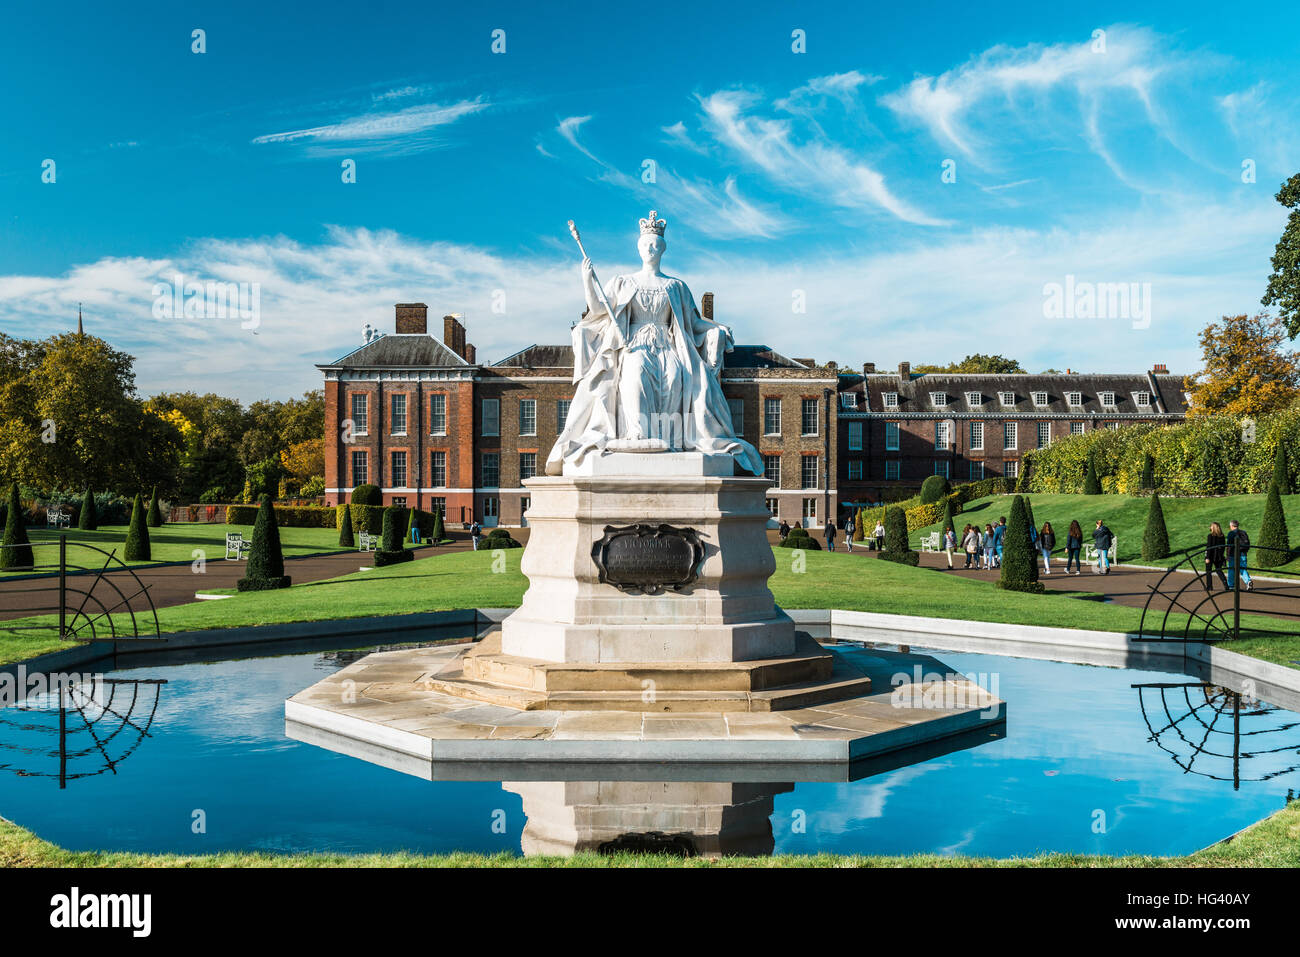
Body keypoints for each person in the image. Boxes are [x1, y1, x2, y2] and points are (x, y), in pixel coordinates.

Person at [1225, 520, 1253, 591]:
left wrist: (1227, 555)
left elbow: (1228, 546)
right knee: (1243, 569)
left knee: (1231, 570)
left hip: (1233, 554)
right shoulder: (1243, 532)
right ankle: (1248, 581)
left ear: (1232, 526)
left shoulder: (1231, 533)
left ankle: (1231, 586)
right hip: (1243, 554)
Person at [1205, 521, 1229, 591]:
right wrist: (1221, 556)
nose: (1210, 527)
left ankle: (1209, 586)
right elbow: (1223, 547)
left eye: (1211, 526)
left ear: (1214, 527)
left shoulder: (1210, 536)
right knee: (1219, 570)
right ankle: (1225, 584)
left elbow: (1209, 547)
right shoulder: (1222, 536)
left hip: (1211, 556)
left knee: (1208, 571)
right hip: (1219, 556)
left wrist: (1207, 557)